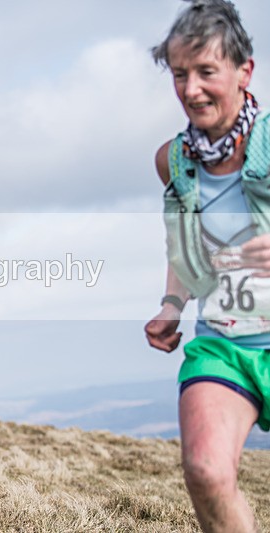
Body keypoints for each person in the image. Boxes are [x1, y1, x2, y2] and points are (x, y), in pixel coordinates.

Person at [145, 1, 269, 531]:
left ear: (244, 70)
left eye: (206, 72)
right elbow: (184, 244)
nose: (191, 89)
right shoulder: (172, 160)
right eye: (179, 74)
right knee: (205, 471)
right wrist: (172, 305)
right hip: (224, 340)